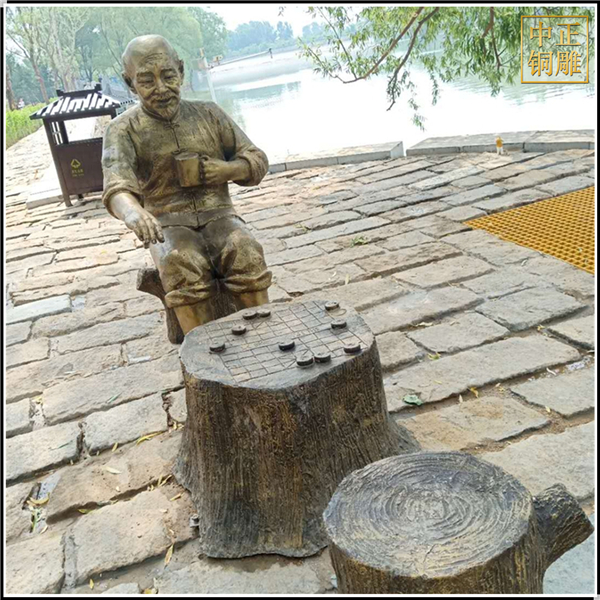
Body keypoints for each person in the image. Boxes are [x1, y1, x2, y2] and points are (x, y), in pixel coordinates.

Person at [101, 35, 272, 335]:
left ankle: (265, 335)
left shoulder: (209, 113)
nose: (161, 88)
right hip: (168, 224)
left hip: (220, 215)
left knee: (245, 249)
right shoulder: (123, 129)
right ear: (130, 83)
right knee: (180, 262)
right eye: (147, 81)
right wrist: (133, 213)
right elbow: (116, 186)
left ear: (180, 71)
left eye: (168, 76)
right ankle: (202, 348)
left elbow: (257, 160)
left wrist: (227, 170)